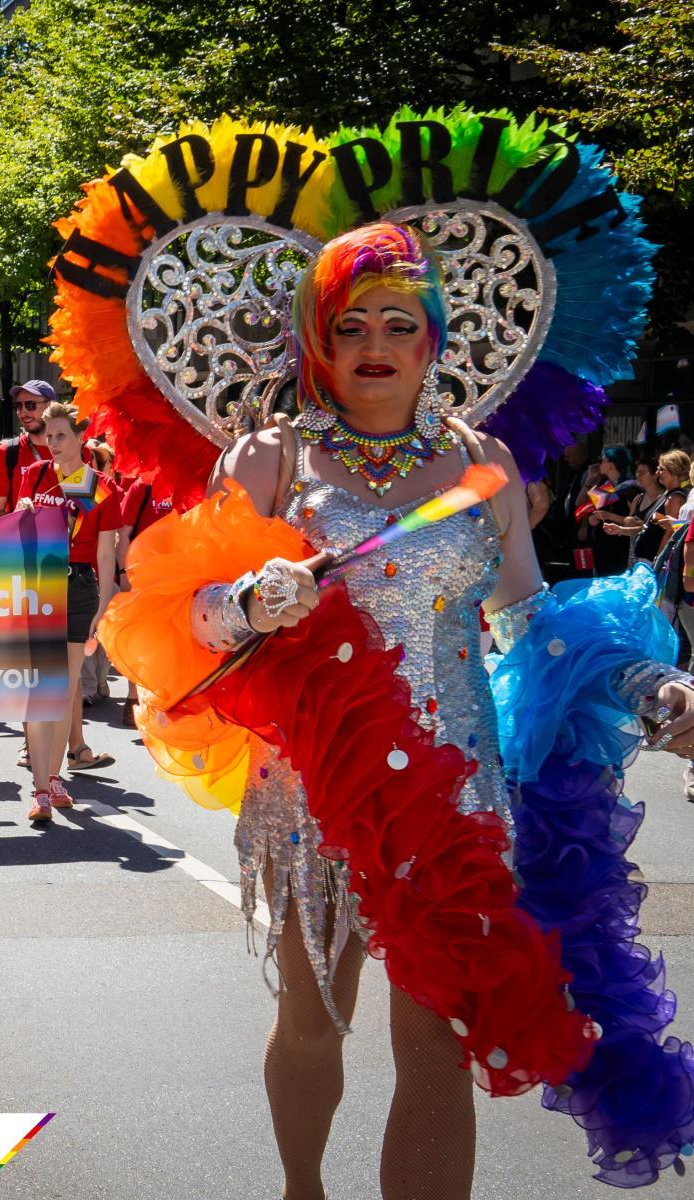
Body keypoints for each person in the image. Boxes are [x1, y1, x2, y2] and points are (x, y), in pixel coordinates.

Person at [97, 222, 694, 1199]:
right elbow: (178, 617)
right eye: (351, 323)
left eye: (399, 322)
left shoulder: (481, 462)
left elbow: (530, 621)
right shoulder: (270, 461)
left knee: (438, 1038)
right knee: (313, 1016)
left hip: (455, 798)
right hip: (319, 788)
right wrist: (249, 599)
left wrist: (643, 682)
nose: (375, 343)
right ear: (319, 344)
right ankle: (303, 1189)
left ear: (433, 340)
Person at [13, 403, 123, 818]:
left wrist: (103, 605)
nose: (53, 443)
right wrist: (22, 516)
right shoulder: (34, 475)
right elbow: (15, 529)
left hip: (79, 586)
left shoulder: (98, 485)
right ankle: (40, 789)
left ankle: (55, 777)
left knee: (62, 692)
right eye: (49, 435)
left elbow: (105, 551)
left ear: (81, 439)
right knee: (40, 691)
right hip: (39, 583)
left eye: (61, 435)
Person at [0, 380, 57, 518]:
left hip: (72, 538)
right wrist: (19, 518)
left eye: (30, 405)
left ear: (50, 406)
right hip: (26, 538)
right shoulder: (6, 452)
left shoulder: (79, 450)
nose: (23, 412)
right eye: (18, 406)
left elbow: (95, 510)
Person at [581, 446, 642, 576]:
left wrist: (609, 516)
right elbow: (581, 508)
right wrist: (594, 518)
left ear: (611, 464)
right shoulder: (603, 486)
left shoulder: (629, 487)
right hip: (601, 546)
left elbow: (635, 522)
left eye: (602, 460)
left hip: (620, 546)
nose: (599, 464)